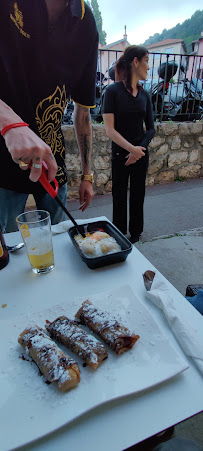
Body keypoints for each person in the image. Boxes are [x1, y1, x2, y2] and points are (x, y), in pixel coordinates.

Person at [0, 0, 98, 232]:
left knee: (61, 240)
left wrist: (87, 175)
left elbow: (82, 113)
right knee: (9, 250)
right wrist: (9, 123)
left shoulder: (86, 23)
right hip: (3, 163)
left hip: (52, 163)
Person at [102, 45, 155, 243]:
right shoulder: (112, 91)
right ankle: (118, 233)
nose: (149, 67)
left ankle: (135, 234)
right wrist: (130, 149)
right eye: (147, 61)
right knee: (119, 195)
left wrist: (138, 150)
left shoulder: (145, 95)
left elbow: (151, 128)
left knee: (138, 195)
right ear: (135, 62)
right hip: (121, 155)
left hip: (140, 154)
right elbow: (109, 129)